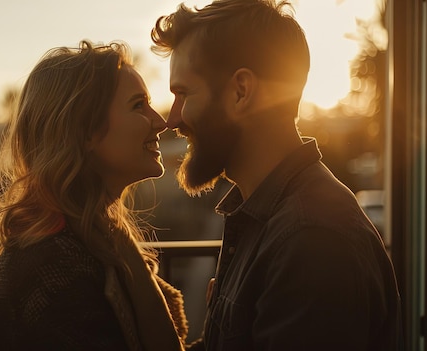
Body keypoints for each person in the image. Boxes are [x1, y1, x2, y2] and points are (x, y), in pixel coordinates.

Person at [151, 0, 402, 350]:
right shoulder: (266, 213)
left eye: (183, 94)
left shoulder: (312, 241)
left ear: (241, 91)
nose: (172, 119)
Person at [0, 40, 188, 351]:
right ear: (84, 131)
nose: (160, 122)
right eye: (138, 105)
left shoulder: (99, 238)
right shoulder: (50, 266)